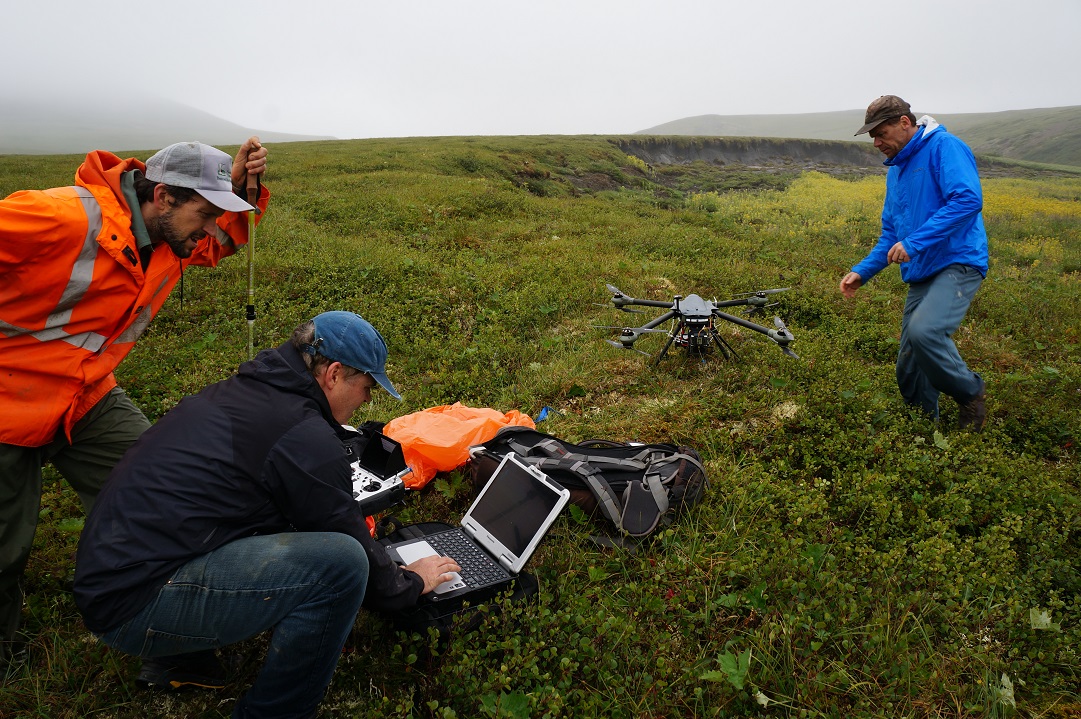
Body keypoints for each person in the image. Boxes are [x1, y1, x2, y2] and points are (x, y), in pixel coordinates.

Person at [73, 311, 461, 719]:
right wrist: (410, 582)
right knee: (342, 564)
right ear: (333, 375)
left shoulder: (244, 391)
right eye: (366, 387)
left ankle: (182, 656)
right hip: (135, 606)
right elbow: (350, 546)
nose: (367, 400)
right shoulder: (304, 436)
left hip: (111, 578)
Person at [0, 138, 270, 669]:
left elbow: (220, 243)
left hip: (84, 395)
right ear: (163, 196)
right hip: (8, 402)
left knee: (159, 492)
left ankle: (160, 626)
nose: (211, 226)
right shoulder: (60, 217)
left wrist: (238, 188)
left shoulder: (172, 236)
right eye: (206, 211)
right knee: (4, 548)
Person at [840, 95, 989, 430]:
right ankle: (923, 431)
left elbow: (968, 199)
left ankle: (970, 393)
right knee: (908, 366)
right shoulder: (897, 171)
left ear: (905, 123)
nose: (876, 142)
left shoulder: (944, 147)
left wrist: (915, 242)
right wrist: (862, 271)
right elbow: (891, 234)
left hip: (957, 261)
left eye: (880, 133)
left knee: (926, 332)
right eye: (872, 137)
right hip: (922, 271)